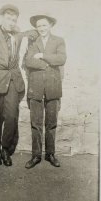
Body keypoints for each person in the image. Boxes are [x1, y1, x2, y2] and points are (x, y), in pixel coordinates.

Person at [0, 4, 38, 166]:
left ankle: (5, 149)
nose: (11, 22)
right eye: (8, 19)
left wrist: (37, 32)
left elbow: (29, 33)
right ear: (2, 17)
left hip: (13, 81)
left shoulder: (17, 36)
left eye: (14, 20)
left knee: (12, 117)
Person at [25, 14, 67, 169]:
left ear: (50, 25)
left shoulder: (59, 41)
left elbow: (61, 59)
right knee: (35, 124)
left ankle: (50, 154)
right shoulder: (32, 42)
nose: (41, 28)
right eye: (39, 26)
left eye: (44, 25)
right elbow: (28, 61)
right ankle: (36, 156)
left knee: (51, 124)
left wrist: (42, 56)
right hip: (35, 87)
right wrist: (47, 64)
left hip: (53, 87)